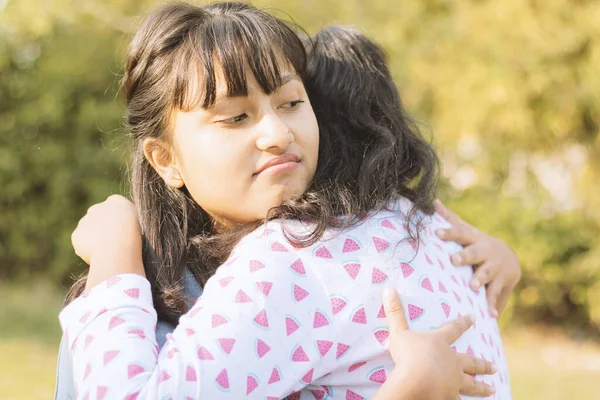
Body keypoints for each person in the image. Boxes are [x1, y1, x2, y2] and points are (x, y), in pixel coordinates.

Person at [58, 3, 518, 399]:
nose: (278, 135)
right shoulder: (414, 221)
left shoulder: (293, 258)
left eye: (293, 104)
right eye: (235, 117)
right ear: (164, 159)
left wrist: (115, 251)